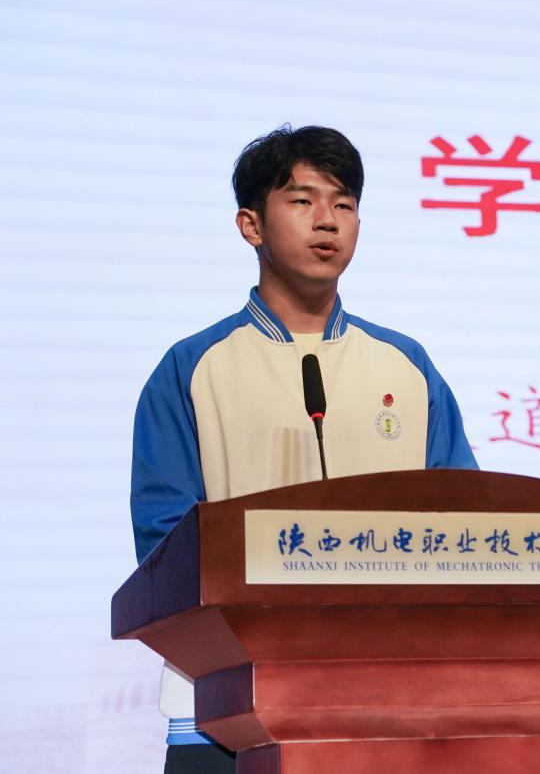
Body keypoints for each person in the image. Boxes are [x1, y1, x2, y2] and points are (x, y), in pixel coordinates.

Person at [130, 125, 478, 773]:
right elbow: (163, 541)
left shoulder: (406, 365)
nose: (327, 221)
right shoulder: (193, 367)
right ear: (250, 225)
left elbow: (463, 517)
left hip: (388, 699)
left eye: (344, 204)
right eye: (302, 200)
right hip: (227, 710)